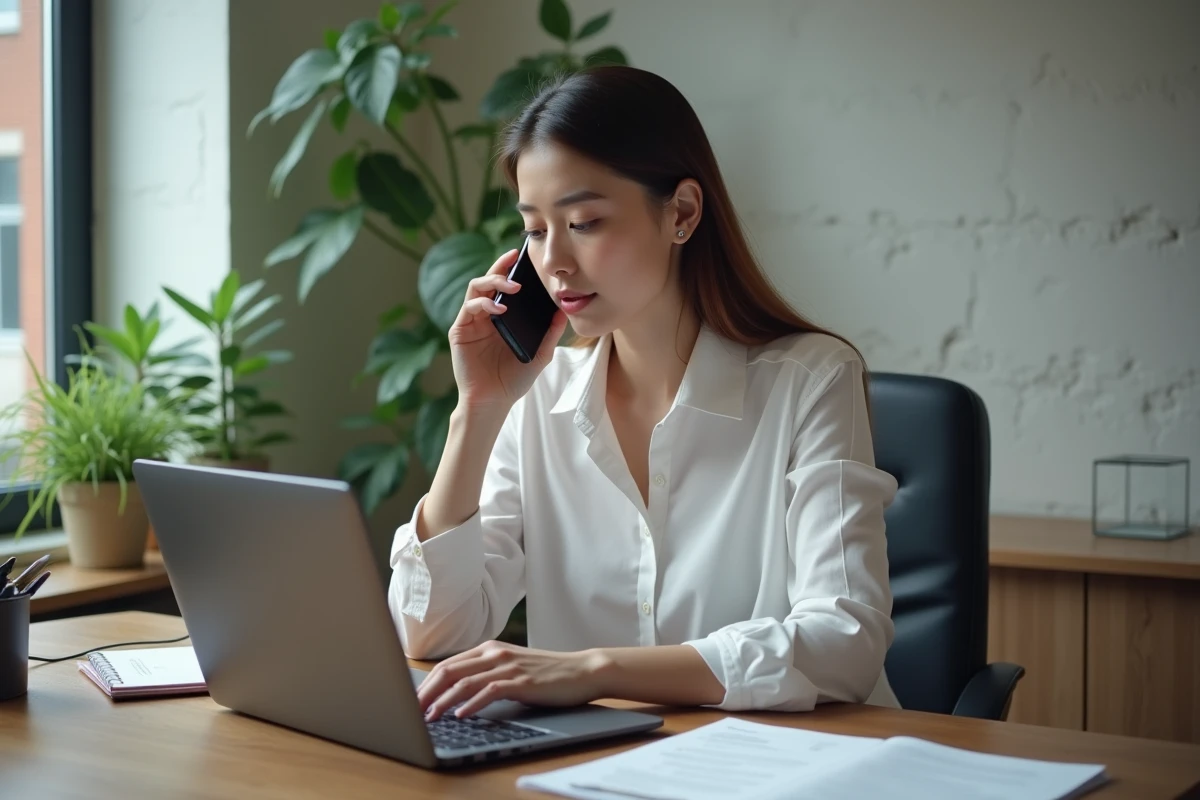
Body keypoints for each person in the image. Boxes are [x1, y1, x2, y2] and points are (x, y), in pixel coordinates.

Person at [387, 65, 900, 723]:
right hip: (587, 769)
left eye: (585, 222)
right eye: (536, 230)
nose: (555, 263)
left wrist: (592, 669)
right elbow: (431, 634)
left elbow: (845, 642)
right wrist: (477, 411)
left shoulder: (811, 379)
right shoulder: (538, 399)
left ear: (681, 212)